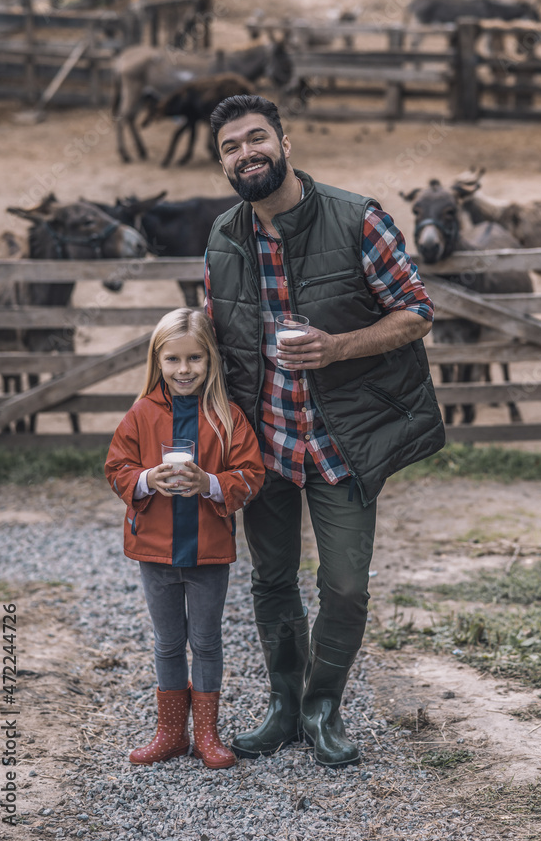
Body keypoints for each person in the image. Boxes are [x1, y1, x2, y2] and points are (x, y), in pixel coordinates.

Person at [204, 94, 445, 768]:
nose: (245, 152)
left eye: (256, 139)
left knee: (344, 585)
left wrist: (336, 348)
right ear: (222, 162)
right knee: (272, 579)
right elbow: (215, 328)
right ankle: (284, 706)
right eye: (230, 146)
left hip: (343, 442)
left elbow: (416, 312)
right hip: (266, 444)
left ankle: (322, 706)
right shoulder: (224, 235)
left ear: (285, 144)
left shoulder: (357, 220)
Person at [105, 308, 265, 769]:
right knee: (168, 643)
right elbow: (116, 467)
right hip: (153, 551)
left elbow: (251, 475)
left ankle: (207, 735)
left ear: (211, 360)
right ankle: (171, 732)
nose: (183, 370)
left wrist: (211, 484)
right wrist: (147, 478)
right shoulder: (141, 414)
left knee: (208, 641)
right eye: (172, 360)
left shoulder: (226, 416)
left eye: (195, 358)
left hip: (208, 552)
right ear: (158, 361)